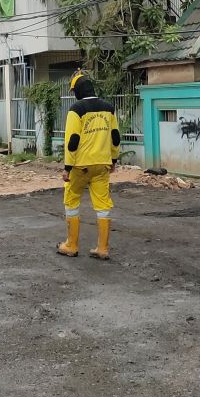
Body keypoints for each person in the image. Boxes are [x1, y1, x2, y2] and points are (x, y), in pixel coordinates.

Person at [56, 71, 121, 260]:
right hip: (102, 165)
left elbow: (72, 141)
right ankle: (102, 248)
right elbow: (115, 137)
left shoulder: (76, 109)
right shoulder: (109, 108)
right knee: (103, 205)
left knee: (71, 201)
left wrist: (67, 168)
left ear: (78, 91)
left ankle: (72, 245)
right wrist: (114, 160)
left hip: (79, 166)